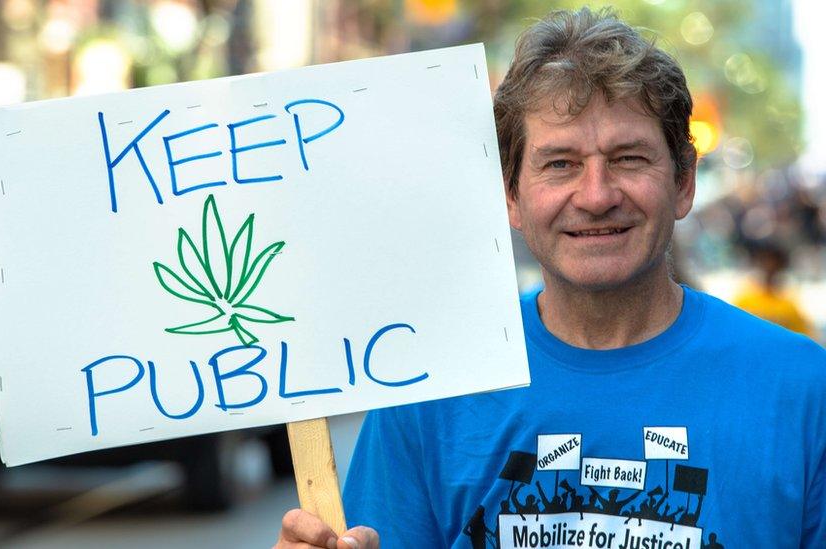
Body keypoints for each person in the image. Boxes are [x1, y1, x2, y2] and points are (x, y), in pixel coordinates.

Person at [275, 8, 826, 548]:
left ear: (683, 183)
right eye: (560, 163)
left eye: (629, 158)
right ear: (511, 195)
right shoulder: (429, 396)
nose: (595, 196)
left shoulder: (804, 392)